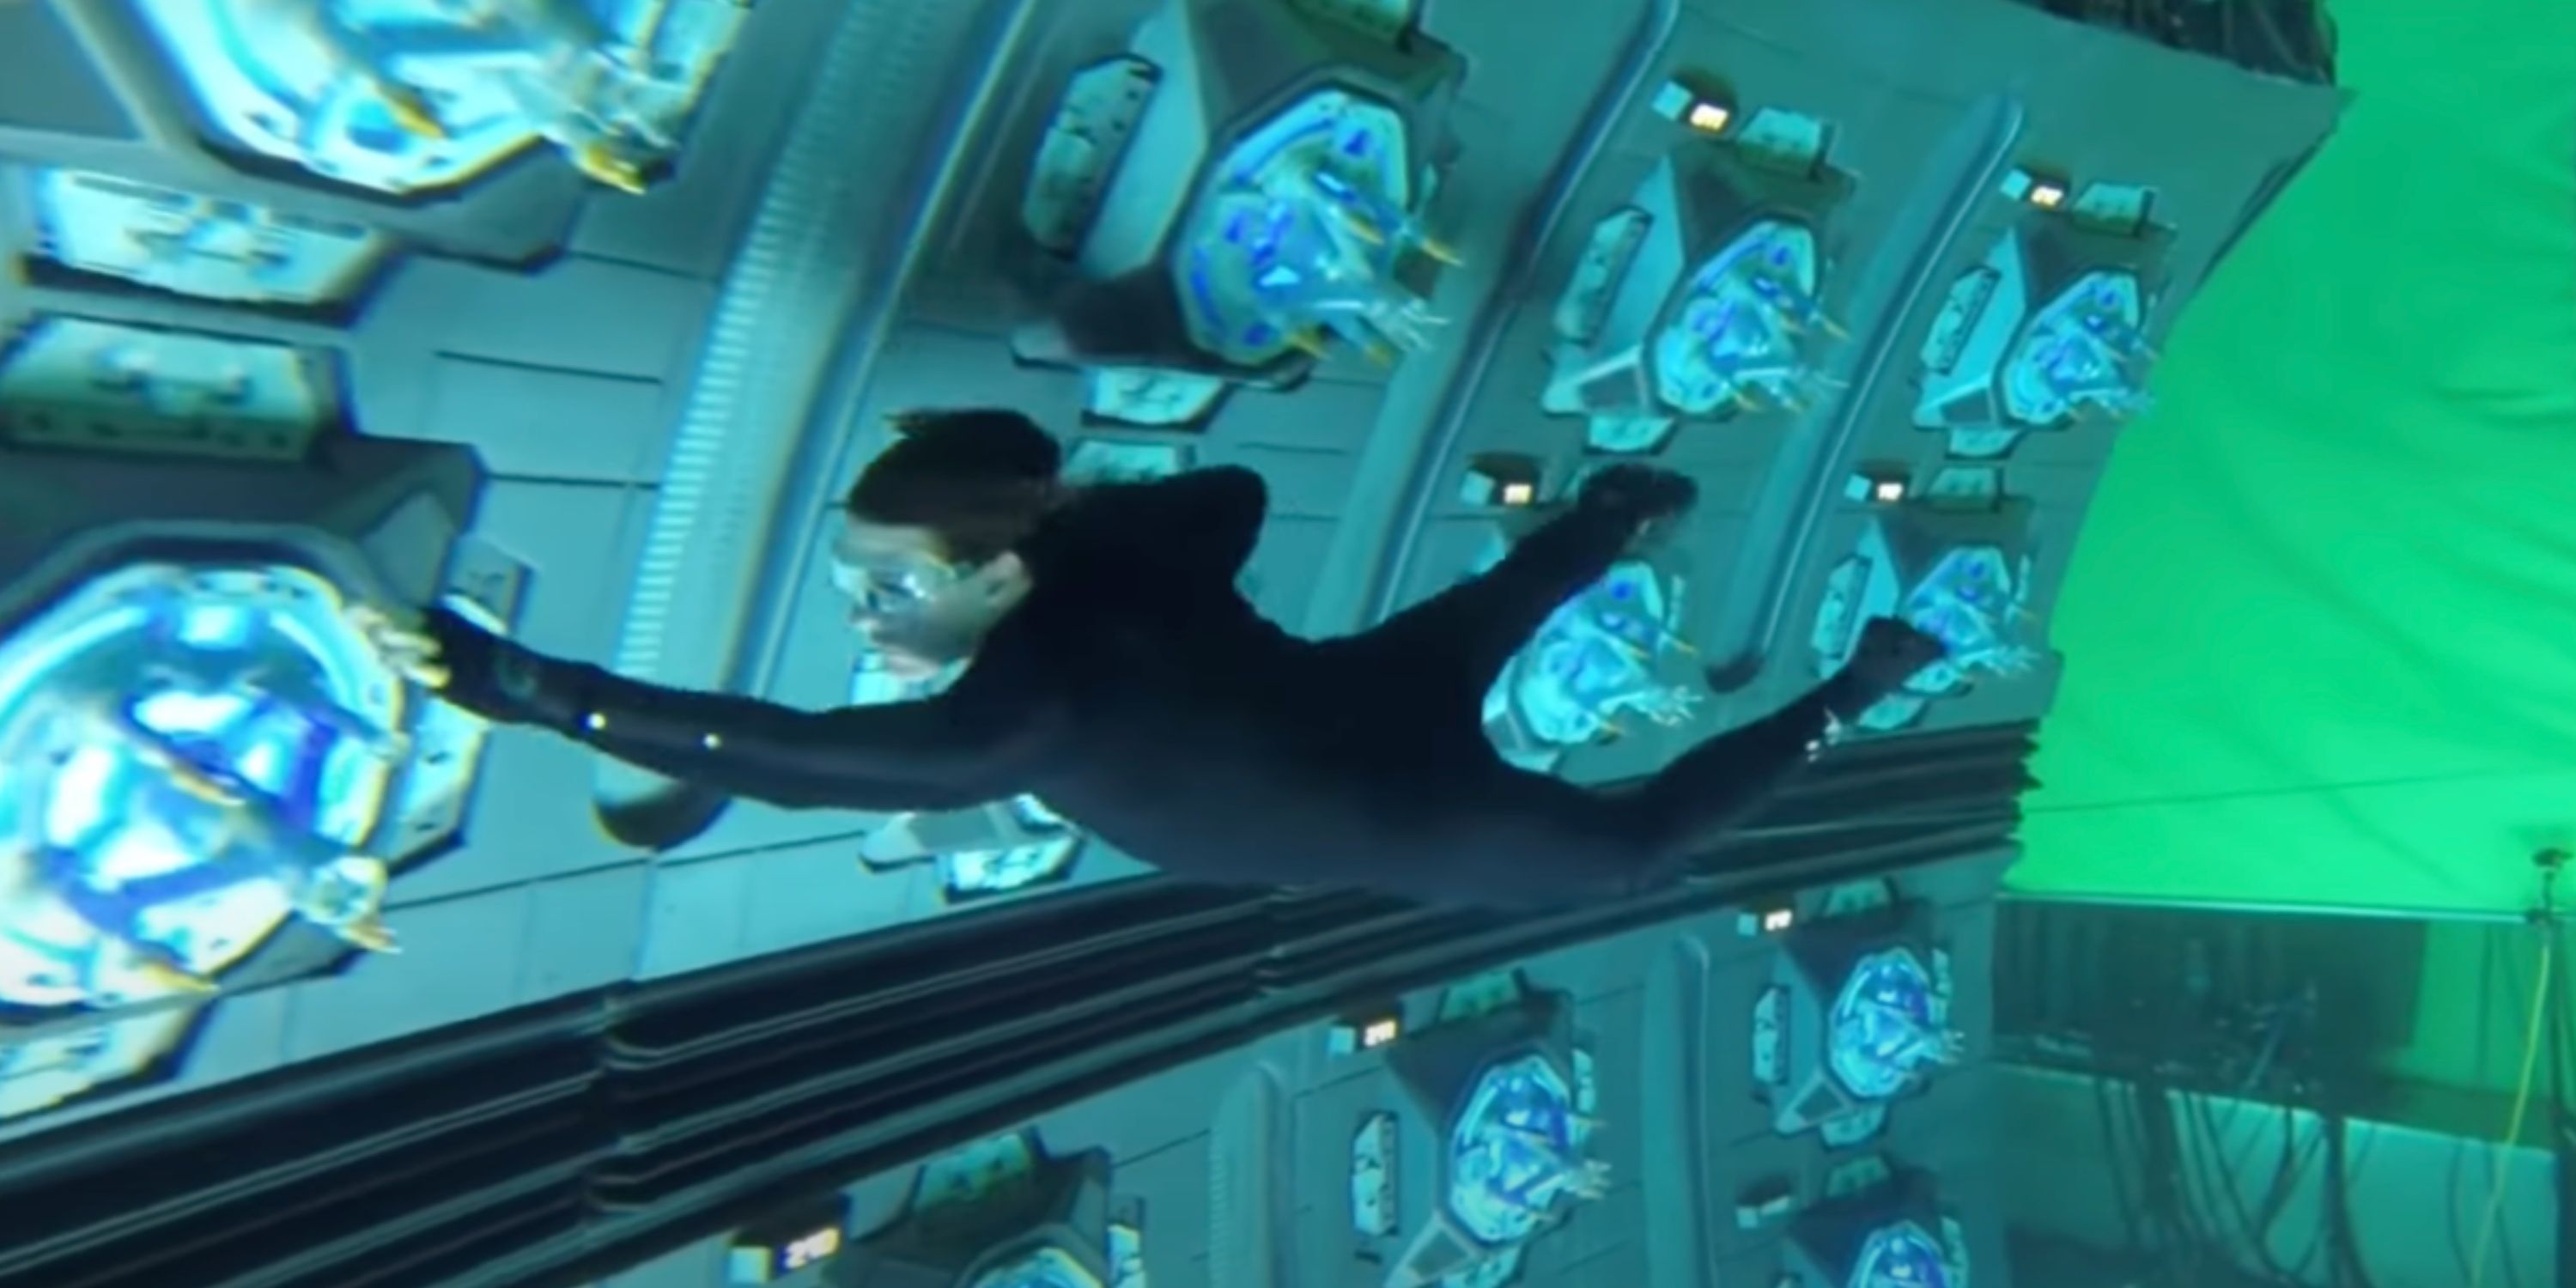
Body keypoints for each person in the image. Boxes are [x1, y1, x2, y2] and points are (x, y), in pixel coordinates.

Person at [384, 409, 1945, 908]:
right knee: (1483, 618)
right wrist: (1064, 514)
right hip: (1341, 708)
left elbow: (782, 757)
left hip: (1386, 810)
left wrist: (530, 689)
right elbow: (1234, 493)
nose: (868, 619)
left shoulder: (1027, 711)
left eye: (889, 588)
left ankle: (1848, 693)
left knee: (1629, 853)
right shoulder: (1121, 558)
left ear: (996, 568)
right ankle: (1608, 518)